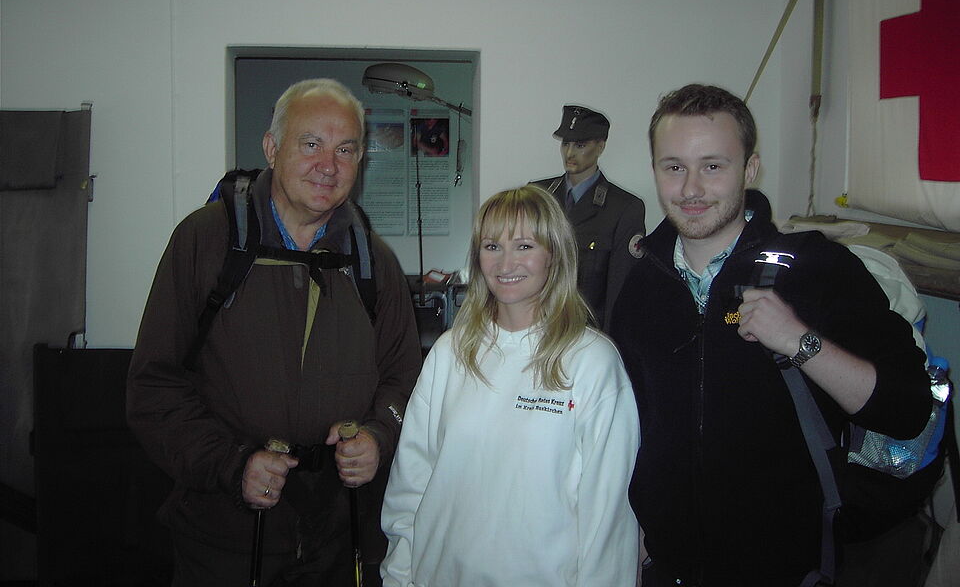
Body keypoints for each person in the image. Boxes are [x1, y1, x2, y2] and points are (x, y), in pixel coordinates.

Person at [609, 84, 932, 587]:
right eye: (674, 167)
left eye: (712, 166)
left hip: (785, 567)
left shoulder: (818, 268)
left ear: (750, 169)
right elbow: (631, 426)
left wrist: (800, 343)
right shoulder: (642, 284)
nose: (691, 188)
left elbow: (906, 408)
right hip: (666, 566)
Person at [127, 79, 422, 586]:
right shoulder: (206, 241)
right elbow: (153, 387)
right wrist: (232, 464)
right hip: (224, 537)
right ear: (271, 147)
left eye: (345, 149)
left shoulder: (374, 261)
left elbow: (404, 380)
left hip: (338, 536)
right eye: (311, 144)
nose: (328, 165)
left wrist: (378, 436)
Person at [380, 185, 640, 587]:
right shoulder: (450, 353)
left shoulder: (591, 361)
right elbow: (411, 479)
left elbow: (608, 516)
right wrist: (398, 576)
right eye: (492, 246)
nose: (505, 263)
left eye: (524, 246)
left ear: (554, 254)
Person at [530, 104, 646, 330]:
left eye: (580, 145)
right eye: (566, 144)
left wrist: (610, 343)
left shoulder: (624, 208)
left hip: (588, 333)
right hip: (535, 329)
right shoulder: (537, 196)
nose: (569, 153)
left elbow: (620, 289)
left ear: (600, 146)